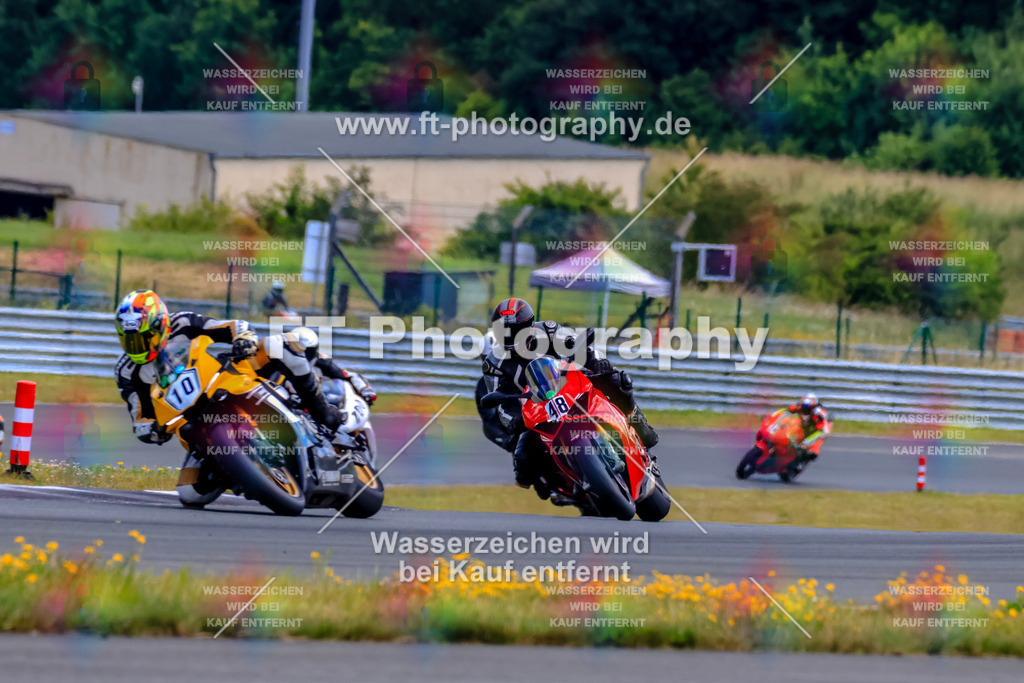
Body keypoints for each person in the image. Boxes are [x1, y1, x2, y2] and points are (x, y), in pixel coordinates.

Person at [114, 289, 376, 506]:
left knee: (282, 345)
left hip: (228, 380)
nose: (137, 347)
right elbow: (139, 413)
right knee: (190, 494)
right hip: (192, 423)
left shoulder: (183, 323)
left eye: (143, 338)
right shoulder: (126, 371)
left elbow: (231, 326)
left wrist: (243, 338)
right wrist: (150, 430)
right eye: (130, 341)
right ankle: (242, 471)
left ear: (160, 325)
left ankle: (323, 412)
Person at [478, 297, 659, 500]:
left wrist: (599, 363)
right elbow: (500, 402)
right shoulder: (493, 364)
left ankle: (639, 424)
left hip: (573, 383)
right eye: (504, 331)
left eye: (515, 330)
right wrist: (513, 420)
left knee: (619, 380)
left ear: (529, 326)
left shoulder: (549, 331)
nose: (510, 335)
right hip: (540, 407)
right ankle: (562, 484)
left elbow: (582, 348)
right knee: (523, 457)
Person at [782, 393, 831, 460]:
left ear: (813, 407)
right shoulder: (797, 407)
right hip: (803, 426)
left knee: (820, 435)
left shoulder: (818, 414)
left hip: (816, 429)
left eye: (808, 407)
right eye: (804, 406)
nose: (805, 409)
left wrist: (807, 442)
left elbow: (823, 430)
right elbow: (785, 412)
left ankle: (812, 450)